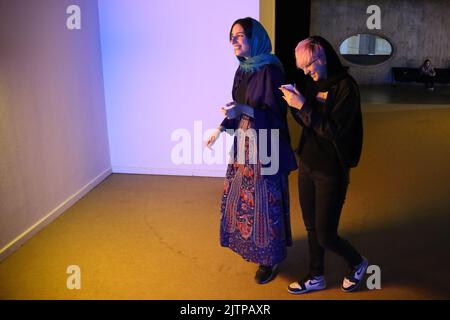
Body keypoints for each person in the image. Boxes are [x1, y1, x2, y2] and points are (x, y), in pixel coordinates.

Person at [206, 17, 297, 284]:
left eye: (240, 35)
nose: (233, 40)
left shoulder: (271, 70)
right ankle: (252, 248)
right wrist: (221, 128)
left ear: (255, 38)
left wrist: (244, 110)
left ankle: (269, 259)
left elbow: (278, 114)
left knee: (264, 199)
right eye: (231, 36)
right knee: (245, 198)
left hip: (265, 143)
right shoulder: (243, 69)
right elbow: (238, 105)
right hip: (243, 145)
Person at [279, 36, 368, 294]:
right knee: (310, 226)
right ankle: (315, 275)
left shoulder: (346, 88)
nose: (307, 72)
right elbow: (309, 123)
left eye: (310, 66)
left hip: (332, 170)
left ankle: (358, 262)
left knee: (326, 235)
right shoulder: (311, 82)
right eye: (302, 68)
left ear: (323, 57)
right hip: (308, 162)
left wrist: (303, 106)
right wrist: (295, 104)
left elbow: (333, 130)